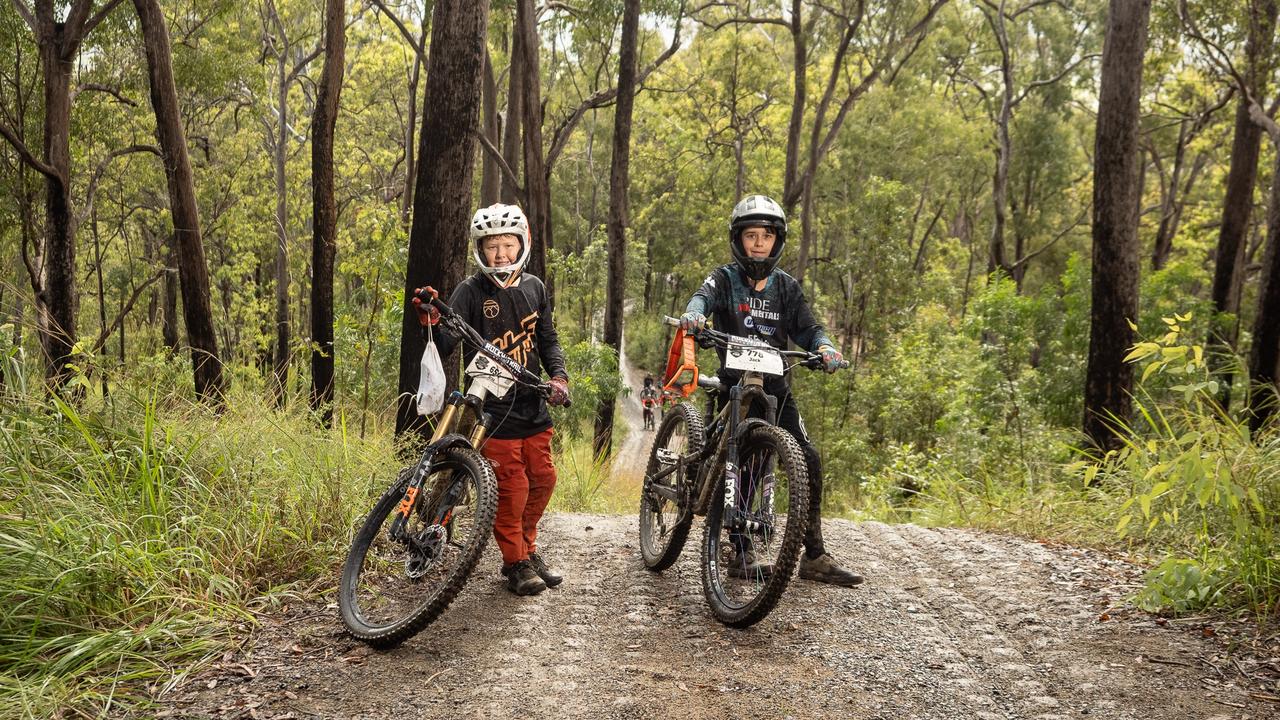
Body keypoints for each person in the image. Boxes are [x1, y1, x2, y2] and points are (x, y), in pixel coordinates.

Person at [679, 194, 863, 587]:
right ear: (738, 239)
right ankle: (740, 551)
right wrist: (695, 314)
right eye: (751, 236)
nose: (758, 243)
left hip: (777, 388)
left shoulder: (786, 288)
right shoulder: (725, 278)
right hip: (735, 385)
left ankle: (813, 555)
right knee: (742, 461)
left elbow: (810, 329)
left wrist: (825, 347)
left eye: (766, 236)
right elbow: (702, 297)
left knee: (808, 458)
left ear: (777, 241)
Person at [412, 203, 571, 596]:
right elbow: (448, 343)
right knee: (512, 486)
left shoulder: (535, 288)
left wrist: (559, 376)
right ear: (479, 249)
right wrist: (430, 322)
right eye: (491, 247)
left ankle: (528, 548)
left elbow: (547, 339)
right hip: (493, 411)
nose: (500, 254)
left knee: (544, 480)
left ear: (523, 244)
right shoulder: (470, 291)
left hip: (533, 403)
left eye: (507, 245)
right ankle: (514, 561)